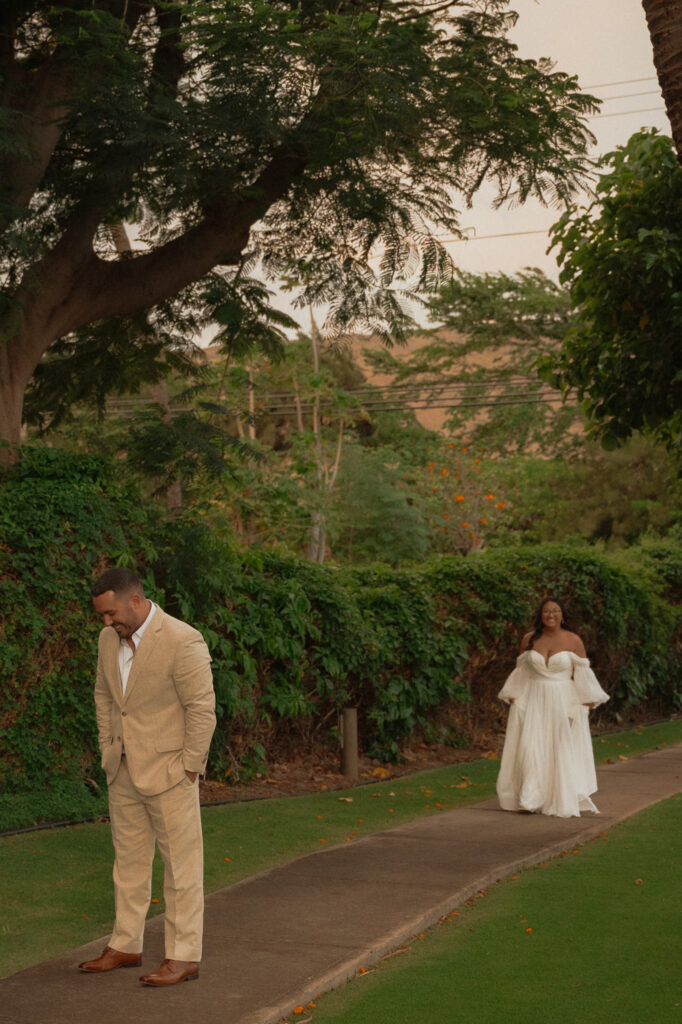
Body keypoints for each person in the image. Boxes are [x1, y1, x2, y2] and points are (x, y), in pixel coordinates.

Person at [78, 568, 216, 986]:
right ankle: (125, 944)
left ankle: (184, 955)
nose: (107, 623)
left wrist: (190, 766)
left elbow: (201, 709)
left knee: (181, 869)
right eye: (101, 615)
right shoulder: (106, 640)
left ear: (135, 600)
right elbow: (105, 695)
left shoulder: (181, 638)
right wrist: (108, 748)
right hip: (122, 770)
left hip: (172, 772)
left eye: (112, 613)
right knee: (129, 864)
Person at [496, 597, 609, 818]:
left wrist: (585, 702)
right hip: (534, 697)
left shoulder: (573, 640)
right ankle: (529, 799)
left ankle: (560, 798)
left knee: (559, 748)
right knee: (531, 746)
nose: (551, 615)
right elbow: (522, 671)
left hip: (563, 699)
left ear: (562, 615)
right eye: (546, 611)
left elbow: (583, 673)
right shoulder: (529, 639)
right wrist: (514, 695)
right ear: (540, 615)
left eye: (555, 611)